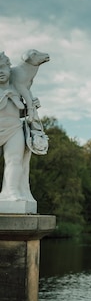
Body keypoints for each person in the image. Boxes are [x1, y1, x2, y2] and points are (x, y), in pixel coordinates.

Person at [0, 51, 32, 202]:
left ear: (9, 69)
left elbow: (18, 112)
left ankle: (12, 192)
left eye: (2, 68)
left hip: (14, 128)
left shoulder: (17, 88)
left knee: (14, 160)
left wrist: (31, 108)